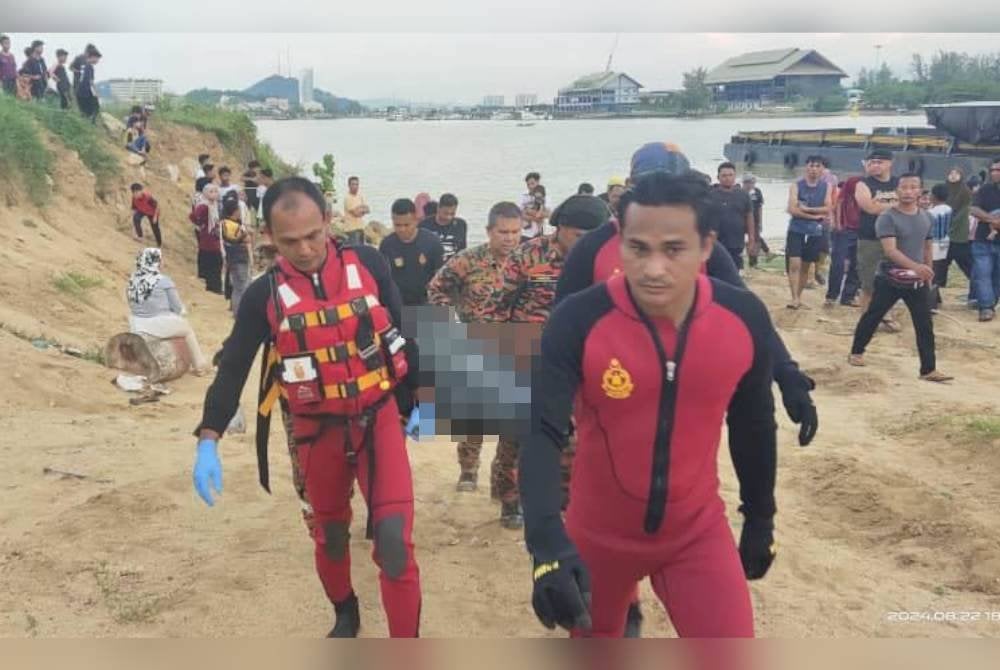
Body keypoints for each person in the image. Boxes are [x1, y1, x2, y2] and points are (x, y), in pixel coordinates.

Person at [521, 170, 779, 638]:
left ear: (706, 246)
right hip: (598, 537)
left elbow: (754, 425)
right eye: (638, 248)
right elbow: (541, 431)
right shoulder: (578, 320)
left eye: (673, 249)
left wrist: (761, 516)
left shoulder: (741, 318)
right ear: (619, 241)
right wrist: (545, 544)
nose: (653, 268)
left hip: (695, 533)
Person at [192, 177, 422, 638]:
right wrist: (208, 439)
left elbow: (402, 331)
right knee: (331, 535)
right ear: (270, 237)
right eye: (290, 241)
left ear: (329, 221)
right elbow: (233, 367)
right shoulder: (263, 295)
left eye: (313, 235)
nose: (305, 249)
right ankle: (345, 611)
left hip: (377, 421)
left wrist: (418, 397)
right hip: (317, 433)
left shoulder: (369, 263)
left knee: (394, 542)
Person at [426, 202, 524, 528]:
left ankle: (507, 495)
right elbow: (437, 288)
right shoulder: (468, 260)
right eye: (503, 232)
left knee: (513, 430)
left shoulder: (528, 262)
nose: (510, 238)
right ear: (489, 231)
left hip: (517, 351)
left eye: (515, 232)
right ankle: (468, 469)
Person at [848, 174, 952, 382]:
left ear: (920, 192)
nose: (908, 192)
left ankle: (928, 369)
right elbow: (890, 251)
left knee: (924, 324)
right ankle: (856, 351)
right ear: (896, 191)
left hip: (917, 280)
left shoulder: (926, 217)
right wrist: (917, 267)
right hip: (890, 277)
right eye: (904, 187)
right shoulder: (887, 217)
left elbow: (927, 247)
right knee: (873, 315)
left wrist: (928, 272)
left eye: (913, 187)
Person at [504, 195, 608, 323]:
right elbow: (497, 306)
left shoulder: (606, 259)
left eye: (592, 237)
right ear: (560, 227)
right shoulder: (528, 255)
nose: (586, 243)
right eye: (579, 236)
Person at [126, 248, 209, 374]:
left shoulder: (132, 281)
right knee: (187, 329)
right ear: (156, 262)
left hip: (136, 326)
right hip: (157, 325)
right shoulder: (163, 280)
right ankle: (200, 365)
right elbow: (178, 308)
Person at [854, 150, 899, 328]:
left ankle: (887, 315)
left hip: (895, 238)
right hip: (869, 238)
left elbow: (909, 203)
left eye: (879, 162)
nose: (875, 165)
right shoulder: (863, 184)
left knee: (892, 280)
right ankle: (866, 321)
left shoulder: (898, 182)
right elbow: (870, 208)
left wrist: (880, 201)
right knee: (868, 282)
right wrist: (895, 201)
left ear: (890, 163)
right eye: (871, 162)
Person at [784, 156, 832, 310]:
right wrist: (814, 216)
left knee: (806, 266)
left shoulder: (827, 186)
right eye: (811, 166)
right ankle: (794, 298)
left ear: (822, 169)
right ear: (806, 167)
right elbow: (792, 209)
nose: (814, 169)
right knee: (794, 263)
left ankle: (798, 296)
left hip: (815, 231)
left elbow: (828, 208)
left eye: (817, 166)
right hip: (796, 229)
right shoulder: (796, 185)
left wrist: (807, 209)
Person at [379, 198, 445, 306]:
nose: (402, 230)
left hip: (427, 304)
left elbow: (441, 279)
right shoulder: (386, 245)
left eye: (406, 225)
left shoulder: (432, 242)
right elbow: (382, 280)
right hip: (399, 305)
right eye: (397, 225)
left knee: (448, 315)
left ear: (416, 220)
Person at [969, 156, 1000, 322]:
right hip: (983, 240)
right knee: (982, 274)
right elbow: (974, 209)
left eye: (998, 170)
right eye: (992, 170)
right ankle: (986, 307)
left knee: (997, 276)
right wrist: (993, 220)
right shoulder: (985, 189)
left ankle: (991, 302)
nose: (994, 173)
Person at [826, 176, 862, 307]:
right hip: (845, 230)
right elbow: (838, 203)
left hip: (861, 231)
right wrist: (838, 223)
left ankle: (848, 296)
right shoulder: (850, 186)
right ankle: (831, 296)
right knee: (838, 263)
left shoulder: (869, 192)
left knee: (857, 264)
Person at [711, 162, 755, 270]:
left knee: (735, 271)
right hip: (716, 242)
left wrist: (751, 240)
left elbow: (749, 217)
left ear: (735, 176)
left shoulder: (743, 195)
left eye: (730, 175)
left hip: (736, 242)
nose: (727, 178)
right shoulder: (710, 195)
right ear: (718, 177)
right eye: (724, 175)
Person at [938, 167, 974, 296]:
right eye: (951, 173)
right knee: (940, 265)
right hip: (942, 234)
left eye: (956, 173)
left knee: (967, 264)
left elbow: (964, 212)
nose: (953, 176)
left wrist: (951, 224)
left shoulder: (965, 192)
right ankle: (935, 295)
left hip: (959, 234)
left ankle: (976, 292)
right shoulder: (943, 190)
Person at [220, 197, 252, 316]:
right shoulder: (236, 226)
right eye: (238, 209)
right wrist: (244, 236)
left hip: (230, 258)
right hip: (240, 258)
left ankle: (236, 311)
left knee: (237, 287)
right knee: (242, 286)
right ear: (234, 211)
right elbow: (246, 239)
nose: (240, 212)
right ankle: (240, 313)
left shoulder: (223, 223)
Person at [191, 183, 224, 294]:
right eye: (211, 191)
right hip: (207, 240)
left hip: (215, 238)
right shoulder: (203, 206)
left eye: (215, 191)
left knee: (216, 264)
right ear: (205, 193)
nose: (214, 194)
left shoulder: (215, 205)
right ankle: (212, 287)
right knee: (212, 263)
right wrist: (202, 225)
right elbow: (193, 217)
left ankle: (215, 287)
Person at [419, 192, 467, 262]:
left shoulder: (461, 224)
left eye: (452, 214)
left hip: (453, 265)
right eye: (445, 213)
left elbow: (462, 250)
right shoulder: (424, 225)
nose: (449, 217)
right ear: (438, 208)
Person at [928, 183, 953, 310]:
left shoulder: (931, 212)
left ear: (934, 196)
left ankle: (932, 303)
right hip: (945, 242)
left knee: (931, 273)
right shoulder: (949, 209)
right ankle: (937, 299)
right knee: (938, 271)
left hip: (934, 244)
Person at [742, 174, 769, 267]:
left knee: (756, 240)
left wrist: (761, 222)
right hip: (742, 221)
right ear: (744, 183)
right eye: (747, 182)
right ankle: (766, 251)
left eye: (752, 182)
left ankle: (753, 262)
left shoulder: (757, 192)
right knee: (743, 240)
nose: (750, 185)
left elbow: (760, 207)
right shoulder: (740, 192)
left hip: (755, 220)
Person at [130, 182, 162, 247]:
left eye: (137, 192)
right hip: (142, 210)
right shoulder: (134, 198)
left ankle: (159, 244)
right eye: (134, 193)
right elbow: (134, 208)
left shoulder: (148, 197)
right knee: (136, 218)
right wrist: (134, 216)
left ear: (141, 191)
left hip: (152, 212)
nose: (136, 194)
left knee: (155, 228)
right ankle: (140, 237)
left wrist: (155, 217)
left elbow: (157, 206)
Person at [76, 46, 101, 123]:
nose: (98, 61)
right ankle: (91, 123)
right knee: (95, 108)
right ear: (93, 57)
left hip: (80, 92)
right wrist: (96, 93)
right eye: (97, 58)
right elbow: (90, 82)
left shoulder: (84, 65)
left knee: (85, 112)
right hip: (85, 93)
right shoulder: (89, 66)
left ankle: (86, 123)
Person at [342, 176, 370, 246]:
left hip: (360, 228)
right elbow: (356, 213)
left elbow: (367, 209)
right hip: (351, 230)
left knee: (361, 250)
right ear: (349, 185)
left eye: (357, 184)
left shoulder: (359, 196)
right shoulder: (347, 198)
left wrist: (360, 210)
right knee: (354, 250)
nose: (355, 186)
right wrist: (361, 210)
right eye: (353, 184)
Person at [520, 172, 548, 240]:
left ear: (538, 182)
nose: (530, 186)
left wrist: (528, 211)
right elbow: (518, 213)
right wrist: (535, 217)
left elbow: (548, 214)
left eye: (532, 183)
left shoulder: (545, 197)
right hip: (524, 233)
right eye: (528, 184)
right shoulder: (523, 196)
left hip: (538, 233)